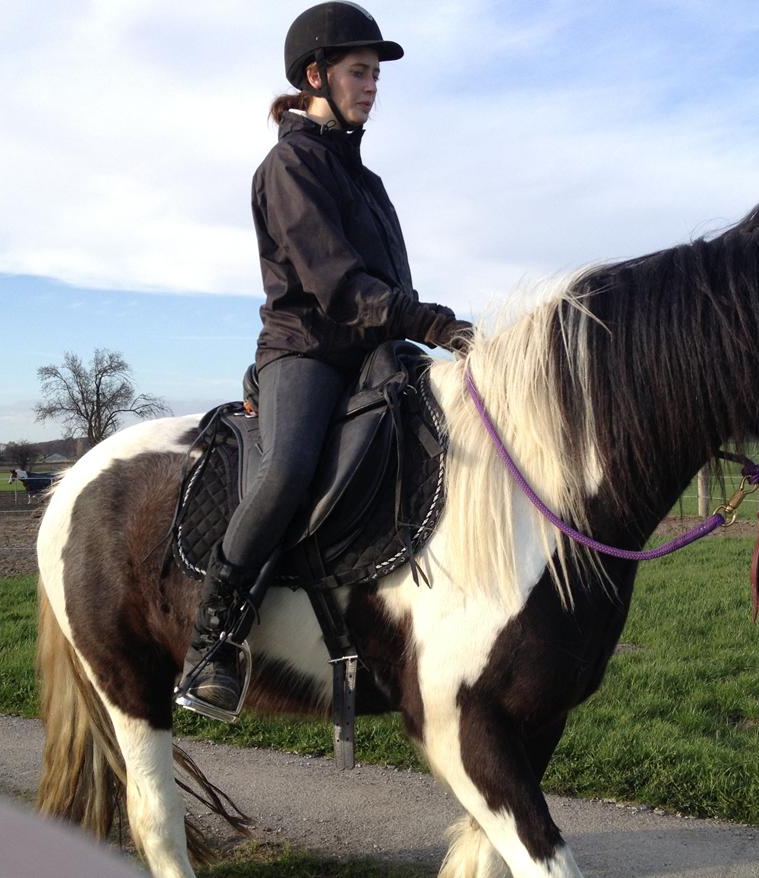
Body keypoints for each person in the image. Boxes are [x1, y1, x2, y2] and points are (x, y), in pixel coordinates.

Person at [176, 1, 471, 720]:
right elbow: (336, 285)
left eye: (376, 74)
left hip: (374, 349)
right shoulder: (289, 166)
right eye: (359, 72)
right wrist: (428, 320)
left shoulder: (366, 181)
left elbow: (387, 282)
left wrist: (417, 326)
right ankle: (214, 640)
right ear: (317, 75)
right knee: (286, 471)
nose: (372, 86)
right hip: (306, 351)